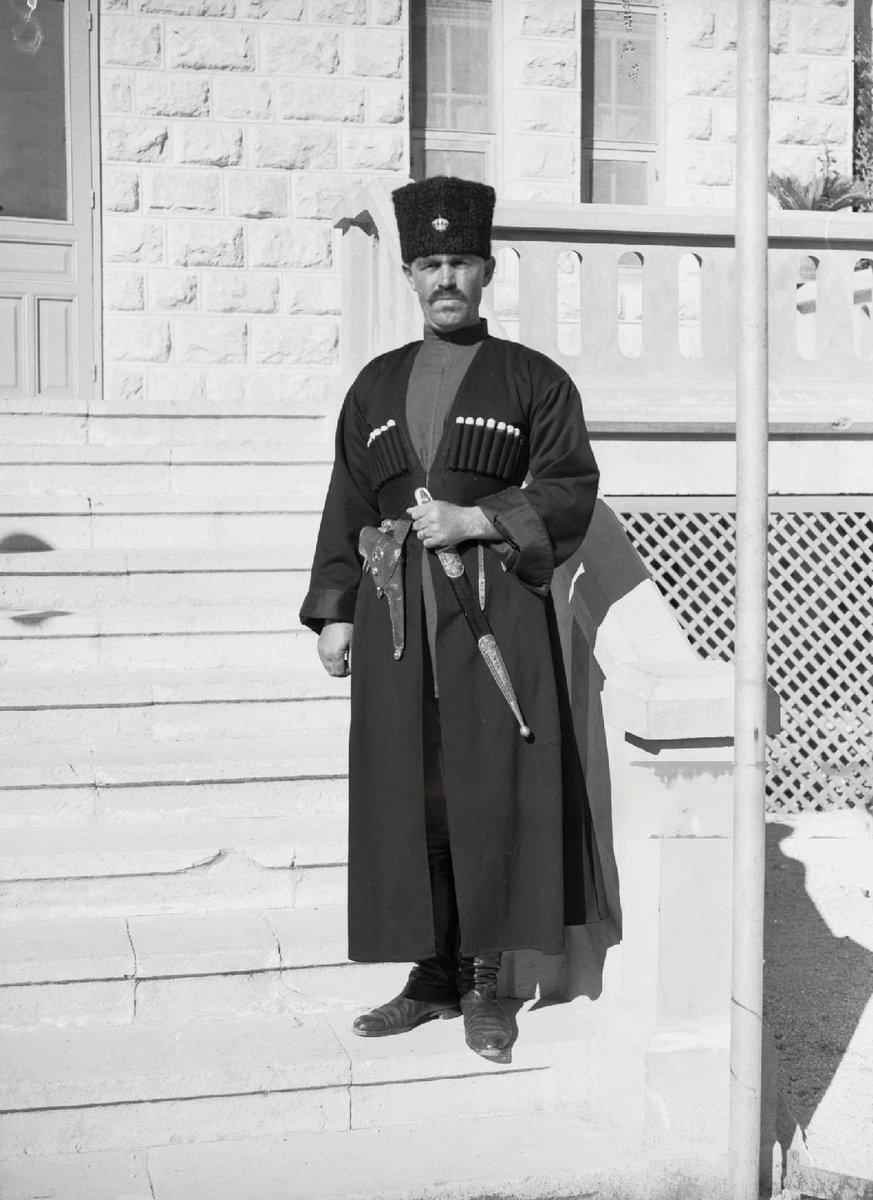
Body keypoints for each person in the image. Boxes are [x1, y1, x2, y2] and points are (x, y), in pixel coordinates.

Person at [300, 175, 606, 1062]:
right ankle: (429, 976)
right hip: (396, 620)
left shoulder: (532, 381)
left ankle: (483, 984)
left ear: (485, 272)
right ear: (408, 274)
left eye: (461, 263)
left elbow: (569, 488)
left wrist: (478, 520)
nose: (446, 279)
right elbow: (347, 500)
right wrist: (333, 611)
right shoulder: (375, 384)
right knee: (412, 793)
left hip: (495, 618)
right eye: (430, 263)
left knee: (486, 792)